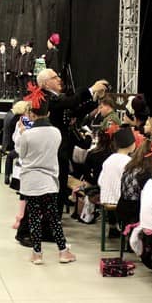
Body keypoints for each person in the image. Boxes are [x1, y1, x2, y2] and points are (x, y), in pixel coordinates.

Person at [16, 88, 76, 265]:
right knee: (54, 219)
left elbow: (22, 156)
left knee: (34, 217)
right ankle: (63, 252)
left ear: (31, 114)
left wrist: (21, 134)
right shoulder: (56, 132)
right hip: (49, 180)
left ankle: (37, 254)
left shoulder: (27, 135)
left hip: (31, 181)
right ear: (48, 113)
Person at [36, 68, 107, 214]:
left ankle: (56, 215)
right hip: (55, 149)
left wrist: (94, 98)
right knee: (58, 182)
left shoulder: (56, 97)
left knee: (61, 181)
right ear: (46, 83)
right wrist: (91, 89)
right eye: (54, 77)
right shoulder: (47, 97)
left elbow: (75, 110)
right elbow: (72, 102)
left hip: (62, 148)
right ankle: (54, 217)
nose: (59, 79)